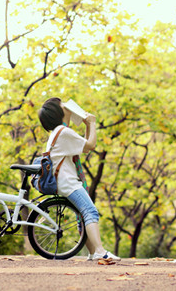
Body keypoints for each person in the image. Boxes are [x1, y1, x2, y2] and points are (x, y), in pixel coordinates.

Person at [38, 97, 120, 261]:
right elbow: (91, 146)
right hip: (67, 182)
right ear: (58, 112)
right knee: (90, 211)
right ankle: (99, 251)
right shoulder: (64, 132)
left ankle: (92, 253)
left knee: (82, 214)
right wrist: (93, 123)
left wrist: (88, 125)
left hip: (62, 180)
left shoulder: (59, 132)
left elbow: (84, 147)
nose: (67, 106)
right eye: (63, 105)